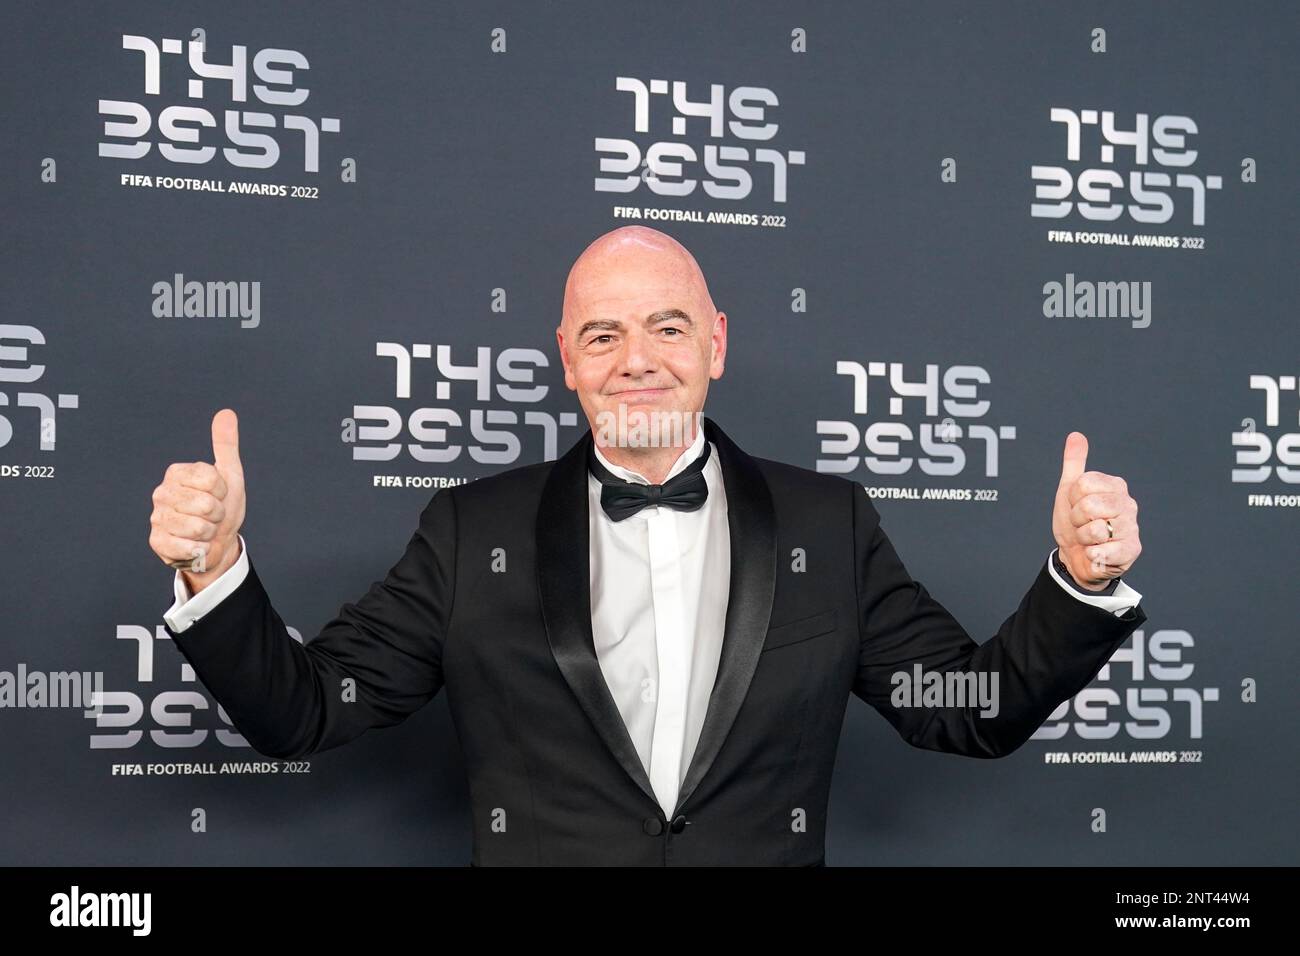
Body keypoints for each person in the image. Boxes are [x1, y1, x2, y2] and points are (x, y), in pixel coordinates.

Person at [148, 226, 1145, 866]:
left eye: (667, 327)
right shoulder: (473, 531)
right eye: (602, 335)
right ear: (566, 362)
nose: (636, 361)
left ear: (715, 342)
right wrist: (216, 570)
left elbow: (971, 710)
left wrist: (1078, 581)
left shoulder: (826, 525)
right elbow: (306, 709)